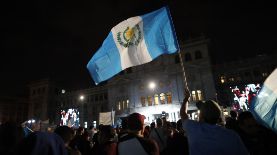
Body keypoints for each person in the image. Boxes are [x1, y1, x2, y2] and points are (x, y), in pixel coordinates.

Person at [180, 88, 249, 155]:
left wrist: (186, 98)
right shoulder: (232, 135)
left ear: (202, 116)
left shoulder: (194, 129)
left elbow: (183, 113)